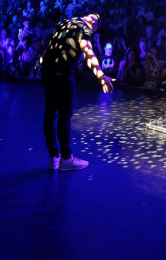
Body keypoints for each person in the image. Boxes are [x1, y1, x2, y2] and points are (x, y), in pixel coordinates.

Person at [39, 13, 113, 172]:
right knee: (64, 114)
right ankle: (66, 159)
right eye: (95, 28)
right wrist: (101, 75)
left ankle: (54, 158)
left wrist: (39, 62)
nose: (93, 31)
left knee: (50, 112)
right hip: (62, 72)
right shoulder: (85, 28)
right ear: (93, 22)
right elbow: (87, 51)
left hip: (48, 70)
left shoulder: (64, 22)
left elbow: (51, 46)